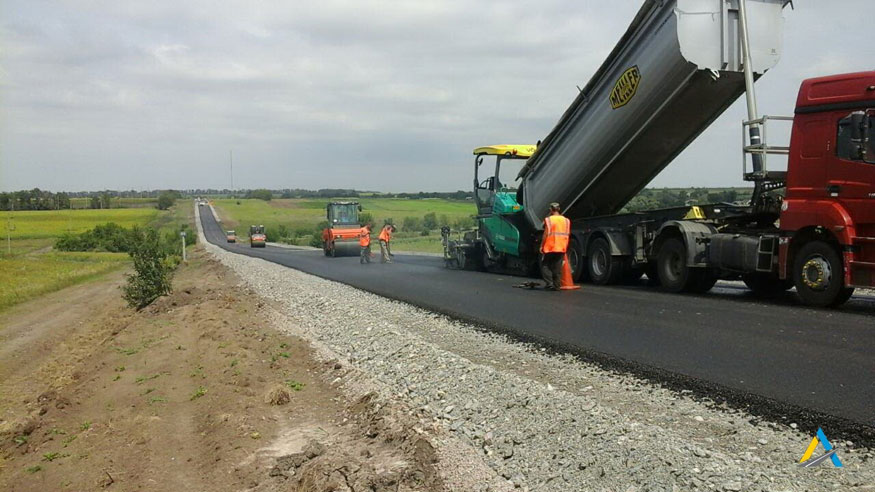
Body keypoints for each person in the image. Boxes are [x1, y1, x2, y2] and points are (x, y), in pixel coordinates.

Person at [540, 202, 571, 291]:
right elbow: (567, 234)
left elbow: (545, 233)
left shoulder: (549, 220)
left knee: (545, 265)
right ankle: (557, 285)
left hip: (550, 246)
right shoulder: (566, 220)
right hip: (561, 246)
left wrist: (541, 245)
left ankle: (549, 283)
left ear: (551, 210)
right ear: (559, 209)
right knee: (557, 266)